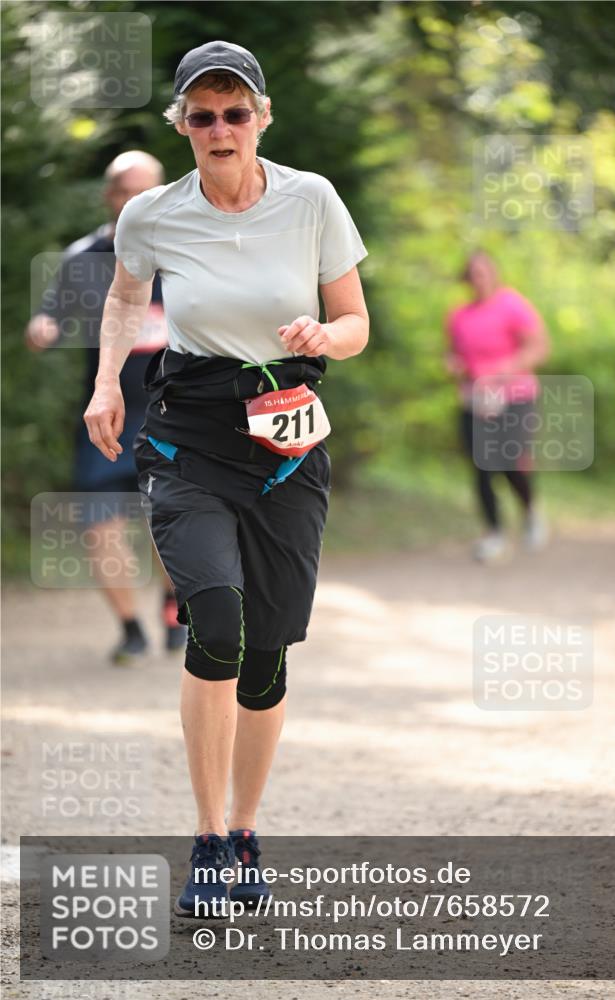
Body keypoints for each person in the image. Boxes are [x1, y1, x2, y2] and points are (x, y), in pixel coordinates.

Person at [83, 40, 369, 914]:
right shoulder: (154, 215)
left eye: (234, 112)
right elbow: (127, 297)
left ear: (261, 118)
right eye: (201, 114)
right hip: (190, 438)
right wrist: (104, 383)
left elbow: (355, 318)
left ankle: (245, 828)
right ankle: (207, 838)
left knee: (268, 651)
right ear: (182, 125)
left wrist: (327, 339)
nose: (219, 127)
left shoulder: (311, 199)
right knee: (213, 614)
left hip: (285, 444)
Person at [26, 151, 186, 663]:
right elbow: (51, 314)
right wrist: (44, 328)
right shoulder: (85, 258)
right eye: (125, 189)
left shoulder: (186, 251)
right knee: (99, 526)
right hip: (108, 417)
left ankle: (173, 606)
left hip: (176, 413)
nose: (135, 199)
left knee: (173, 521)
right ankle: (131, 629)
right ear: (109, 195)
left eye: (147, 189)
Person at [445, 251, 550, 563]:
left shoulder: (512, 305)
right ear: (467, 278)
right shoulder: (459, 316)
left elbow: (539, 347)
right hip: (475, 397)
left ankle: (530, 510)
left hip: (514, 394)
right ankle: (494, 533)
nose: (479, 279)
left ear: (494, 274)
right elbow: (454, 354)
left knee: (510, 459)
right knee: (481, 465)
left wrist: (507, 368)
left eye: (484, 272)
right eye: (473, 273)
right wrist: (453, 365)